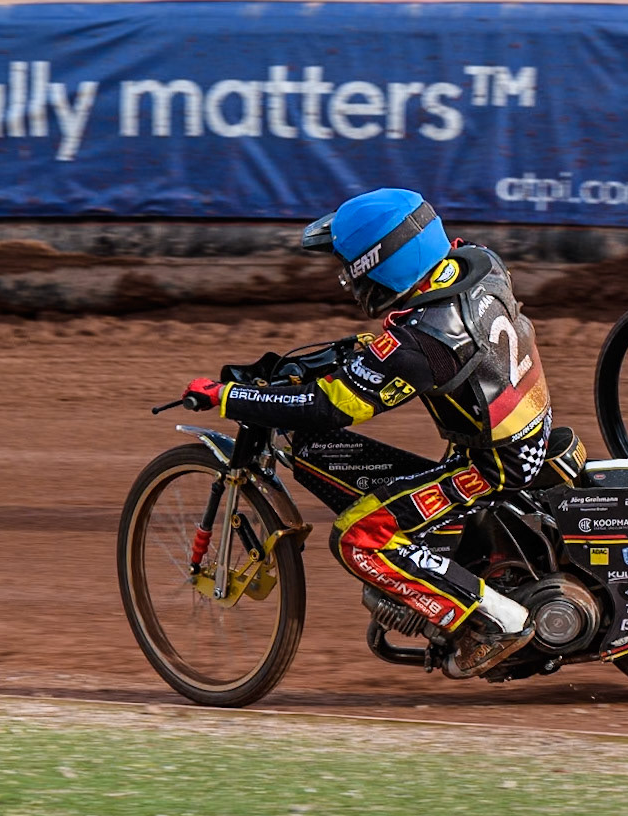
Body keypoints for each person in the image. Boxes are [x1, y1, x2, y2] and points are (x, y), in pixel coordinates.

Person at [181, 188, 550, 679]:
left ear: (380, 264)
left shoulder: (420, 342)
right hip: (523, 430)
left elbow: (327, 407)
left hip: (489, 466)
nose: (345, 278)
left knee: (358, 535)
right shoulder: (476, 267)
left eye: (348, 265)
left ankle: (492, 621)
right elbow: (378, 352)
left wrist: (226, 397)